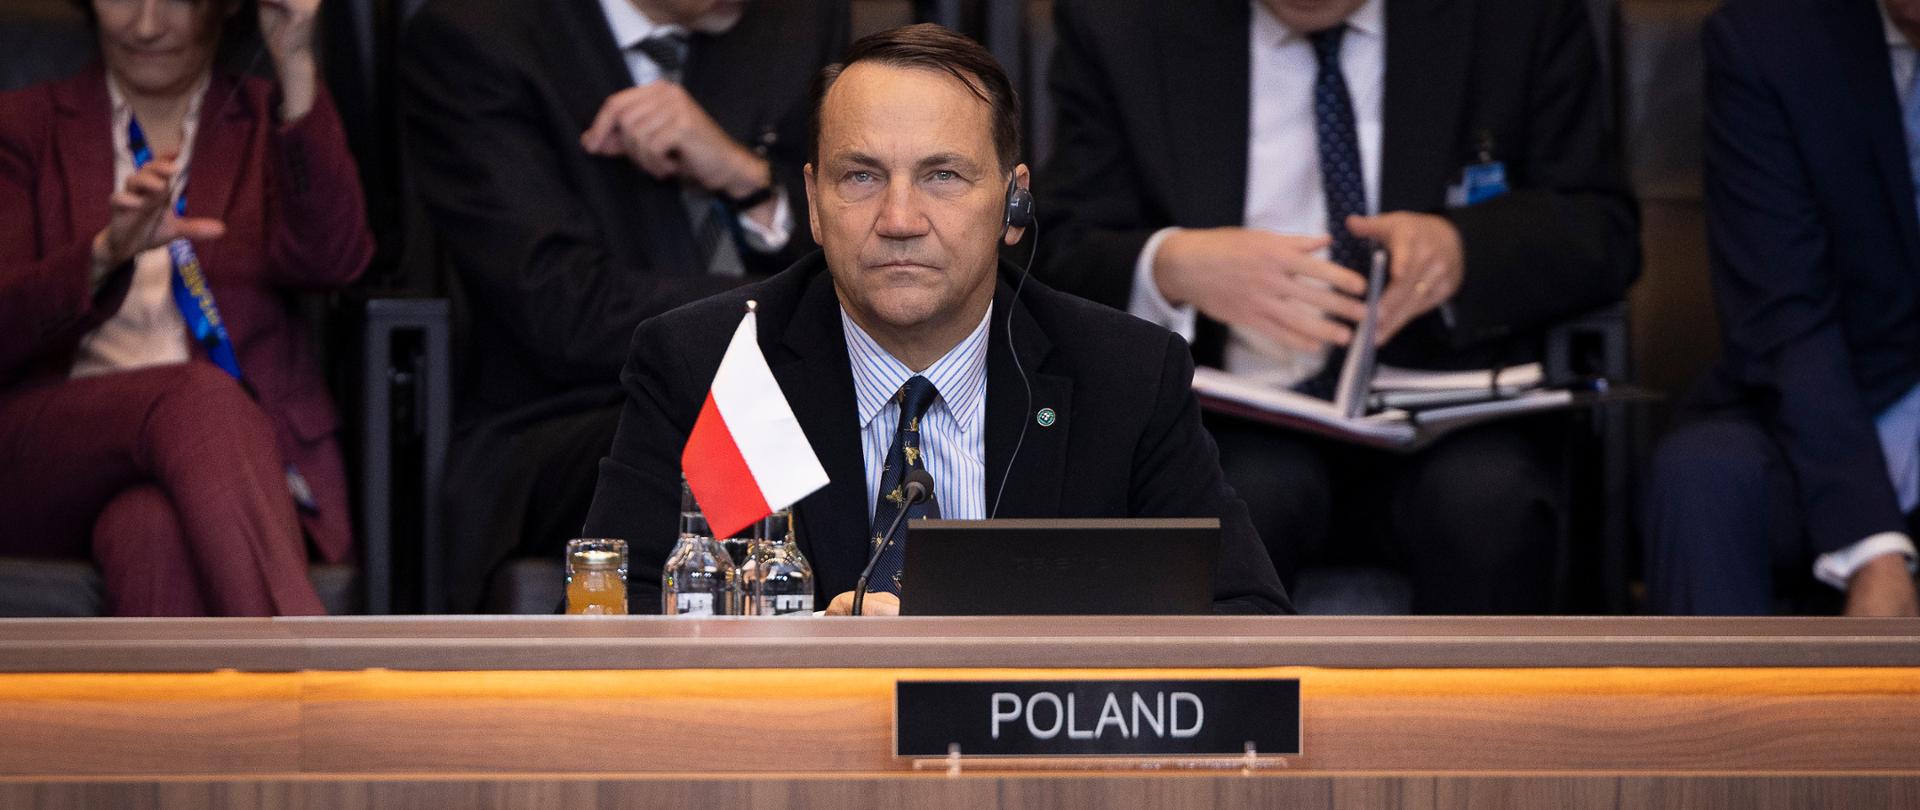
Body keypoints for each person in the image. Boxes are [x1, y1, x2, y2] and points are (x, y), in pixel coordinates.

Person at [581, 24, 1291, 616]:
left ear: (1014, 206)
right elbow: (613, 617)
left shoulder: (1126, 378)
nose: (899, 220)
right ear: (815, 201)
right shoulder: (712, 365)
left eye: (942, 176)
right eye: (860, 176)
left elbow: (1245, 617)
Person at [1034, 0, 1639, 613]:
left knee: (1491, 504)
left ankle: (1482, 715)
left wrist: (1463, 250)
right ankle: (1229, 712)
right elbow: (1048, 248)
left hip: (1451, 414)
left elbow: (1603, 230)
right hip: (1234, 420)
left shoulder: (1514, 21)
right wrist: (1173, 265)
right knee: (1223, 508)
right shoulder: (1122, 24)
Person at [401, 0, 848, 611]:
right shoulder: (480, 36)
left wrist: (750, 181)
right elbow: (561, 309)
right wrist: (787, 313)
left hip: (796, 378)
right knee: (741, 426)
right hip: (570, 415)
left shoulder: (797, 22)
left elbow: (851, 242)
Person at [0, 0, 372, 615]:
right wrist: (102, 255)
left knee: (152, 534)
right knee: (195, 396)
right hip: (52, 450)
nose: (146, 25)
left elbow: (334, 262)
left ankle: (208, 716)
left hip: (219, 467)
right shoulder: (24, 127)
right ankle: (309, 674)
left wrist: (296, 65)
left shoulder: (262, 122)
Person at [1641, 0, 1920, 617]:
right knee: (1703, 480)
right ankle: (1716, 717)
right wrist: (1871, 546)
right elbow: (1784, 315)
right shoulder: (1770, 42)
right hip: (1838, 415)